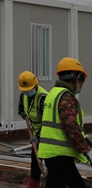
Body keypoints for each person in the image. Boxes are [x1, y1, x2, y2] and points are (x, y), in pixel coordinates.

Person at [38, 57, 91, 188]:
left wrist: (86, 143)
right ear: (77, 78)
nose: (81, 85)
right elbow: (71, 126)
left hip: (54, 153)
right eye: (82, 81)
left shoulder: (52, 93)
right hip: (60, 154)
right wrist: (86, 150)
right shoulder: (66, 96)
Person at [16, 70, 48, 188]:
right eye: (24, 90)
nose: (27, 92)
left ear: (35, 85)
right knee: (35, 158)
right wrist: (24, 115)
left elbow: (47, 121)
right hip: (34, 131)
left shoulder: (43, 97)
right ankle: (32, 184)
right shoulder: (24, 95)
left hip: (48, 132)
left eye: (29, 89)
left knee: (48, 158)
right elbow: (21, 109)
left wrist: (38, 135)